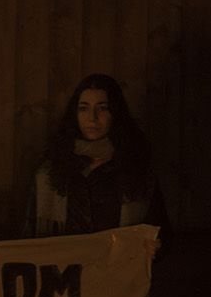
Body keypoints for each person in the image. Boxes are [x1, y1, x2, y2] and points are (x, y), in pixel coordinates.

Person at [25, 73, 165, 239]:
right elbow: (29, 234)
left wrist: (154, 246)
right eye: (84, 108)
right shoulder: (50, 172)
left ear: (115, 113)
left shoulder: (136, 171)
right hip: (64, 263)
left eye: (102, 108)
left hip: (117, 263)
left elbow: (160, 231)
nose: (92, 118)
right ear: (75, 113)